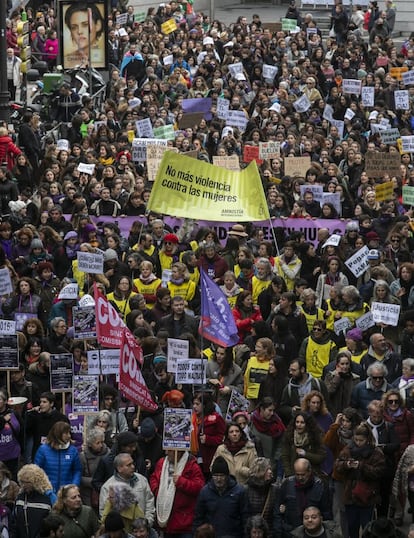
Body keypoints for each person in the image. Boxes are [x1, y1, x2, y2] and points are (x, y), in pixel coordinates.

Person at [334, 422, 386, 538]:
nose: (358, 443)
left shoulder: (376, 453)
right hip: (350, 496)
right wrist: (347, 464)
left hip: (367, 498)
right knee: (352, 528)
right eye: (356, 440)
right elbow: (337, 465)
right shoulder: (348, 449)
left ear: (367, 439)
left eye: (361, 440)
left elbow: (379, 472)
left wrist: (361, 466)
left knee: (368, 529)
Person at [150, 449, 205, 536]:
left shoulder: (192, 466)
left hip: (184, 522)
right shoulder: (162, 462)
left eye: (170, 450)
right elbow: (154, 477)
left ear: (178, 451)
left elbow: (200, 487)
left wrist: (182, 482)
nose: (166, 453)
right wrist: (157, 490)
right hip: (165, 520)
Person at [274, 458, 332, 537]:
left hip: (312, 532)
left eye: (303, 474)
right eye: (297, 474)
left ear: (309, 471)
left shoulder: (320, 486)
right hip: (290, 531)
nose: (300, 478)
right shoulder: (287, 484)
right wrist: (278, 531)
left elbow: (326, 513)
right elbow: (277, 510)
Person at [193, 456, 249, 537]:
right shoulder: (205, 492)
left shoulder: (239, 491)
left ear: (227, 476)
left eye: (222, 475)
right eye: (216, 475)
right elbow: (198, 519)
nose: (219, 479)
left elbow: (245, 518)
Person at [99, 453, 155, 524]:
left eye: (132, 463)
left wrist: (148, 522)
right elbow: (103, 511)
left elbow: (149, 502)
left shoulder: (142, 480)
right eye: (128, 465)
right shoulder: (108, 487)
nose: (133, 467)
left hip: (142, 529)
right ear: (119, 468)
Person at [34, 421, 82, 494]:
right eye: (66, 433)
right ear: (57, 434)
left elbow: (77, 470)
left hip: (67, 493)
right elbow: (37, 471)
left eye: (69, 433)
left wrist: (74, 486)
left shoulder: (73, 450)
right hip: (47, 492)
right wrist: (45, 489)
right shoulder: (43, 450)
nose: (69, 436)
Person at [12, 464, 56, 538]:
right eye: (22, 482)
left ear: (36, 481)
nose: (24, 485)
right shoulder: (20, 497)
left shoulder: (49, 497)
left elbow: (55, 522)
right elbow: (14, 521)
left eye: (27, 482)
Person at [281, 412, 326, 478]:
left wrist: (305, 454)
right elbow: (285, 456)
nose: (299, 425)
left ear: (307, 424)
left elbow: (321, 457)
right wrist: (289, 475)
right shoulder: (289, 435)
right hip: (293, 475)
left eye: (302, 422)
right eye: (297, 422)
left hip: (312, 475)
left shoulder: (315, 437)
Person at [63, 4, 105, 68]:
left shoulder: (103, 58)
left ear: (98, 25)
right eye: (74, 27)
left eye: (85, 25)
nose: (79, 31)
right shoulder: (66, 61)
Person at [205, 345, 243, 415]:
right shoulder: (209, 365)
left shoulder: (237, 370)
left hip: (225, 405)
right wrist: (210, 381)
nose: (219, 356)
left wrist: (230, 389)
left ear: (228, 355)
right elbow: (200, 381)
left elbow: (240, 389)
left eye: (222, 354)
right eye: (217, 353)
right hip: (209, 402)